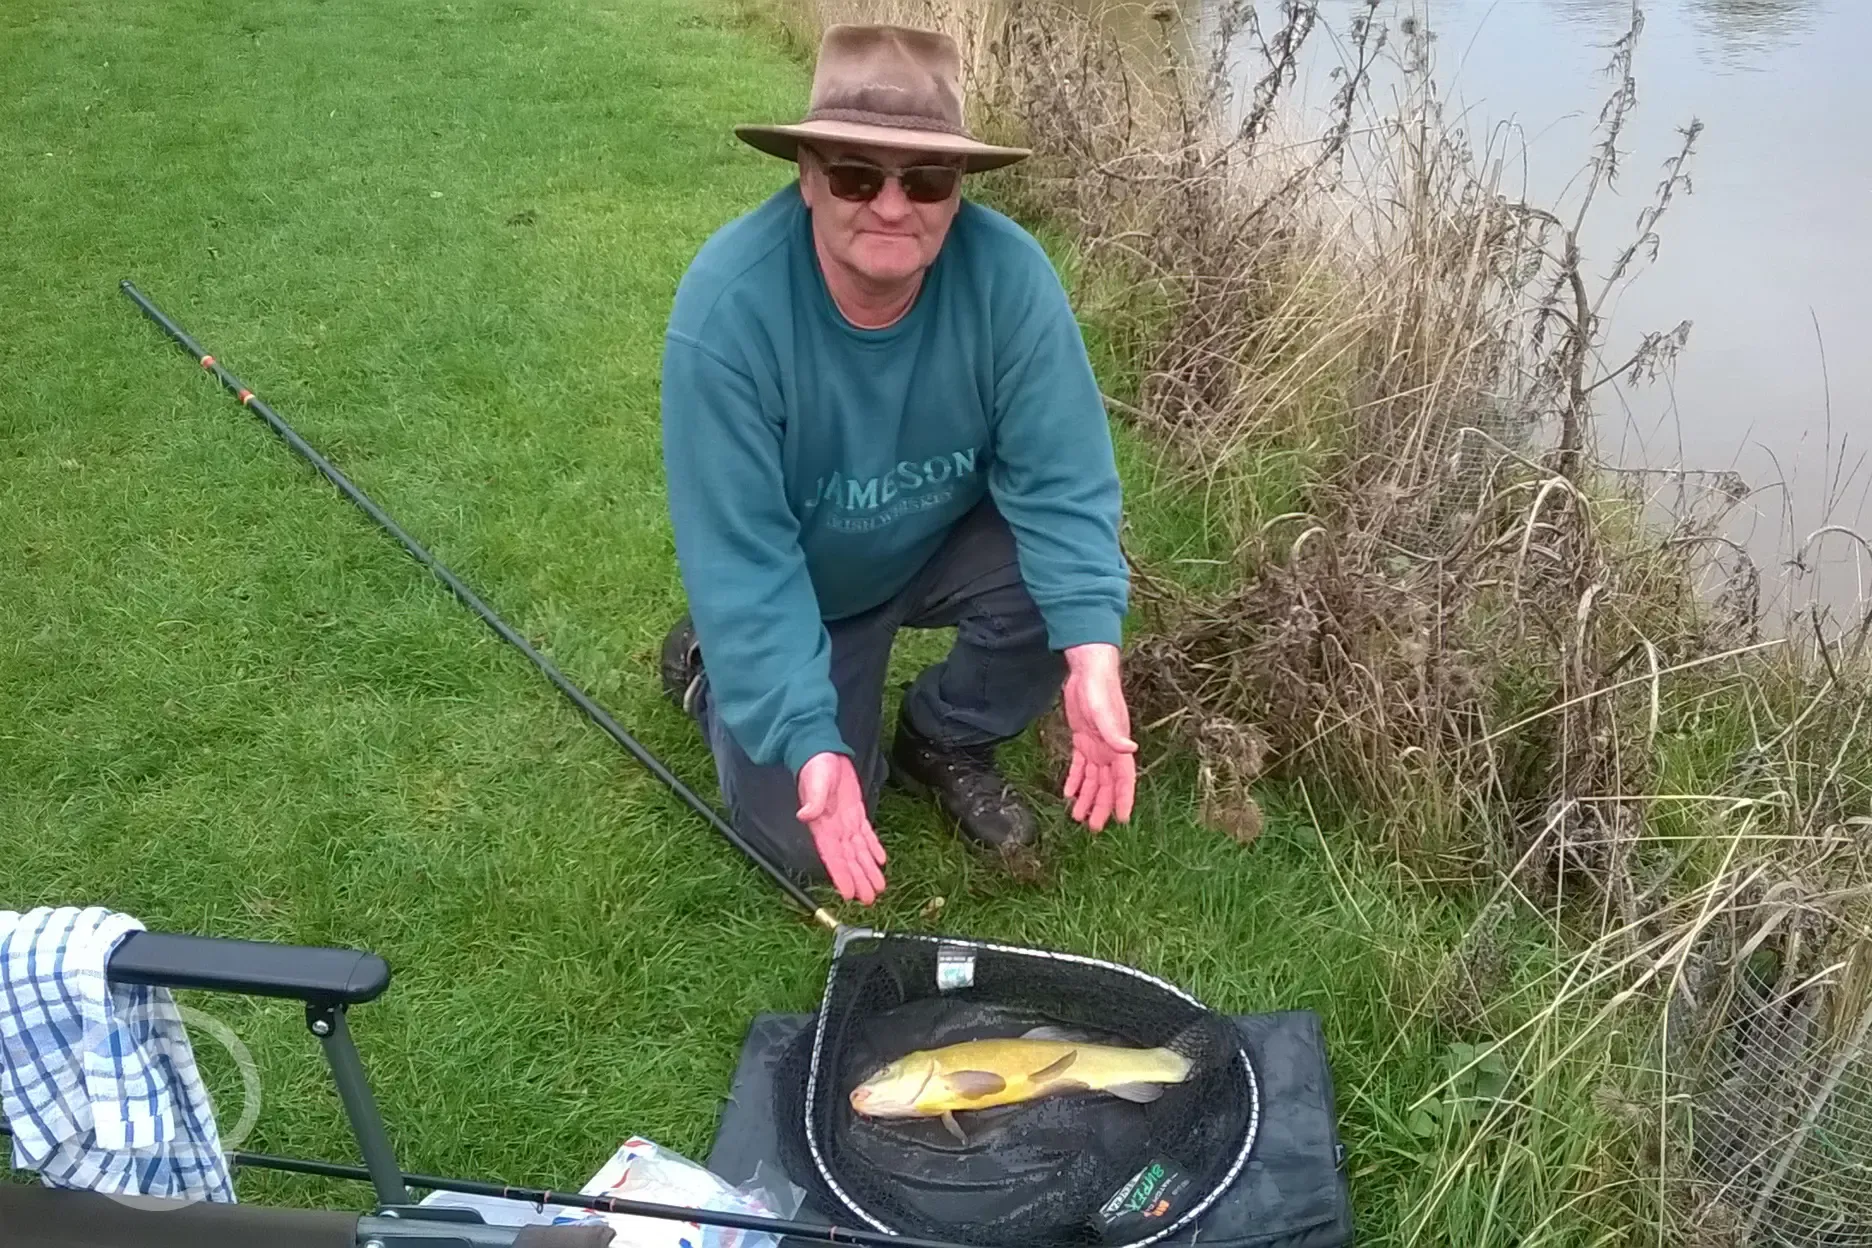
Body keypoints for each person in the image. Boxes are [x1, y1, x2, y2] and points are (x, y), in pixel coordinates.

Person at [657, 23, 1136, 906]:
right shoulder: (726, 316)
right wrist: (808, 738)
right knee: (803, 844)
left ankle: (944, 734)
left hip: (941, 544)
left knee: (1075, 579)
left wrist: (1094, 657)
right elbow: (744, 558)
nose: (890, 204)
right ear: (805, 177)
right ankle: (713, 673)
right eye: (854, 173)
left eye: (924, 178)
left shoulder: (1011, 281)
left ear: (957, 192)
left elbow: (1065, 487)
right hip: (804, 585)